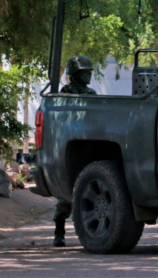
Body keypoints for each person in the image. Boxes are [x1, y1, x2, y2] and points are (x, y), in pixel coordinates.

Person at [53, 55, 97, 247]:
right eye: (84, 73)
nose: (88, 76)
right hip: (70, 147)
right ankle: (59, 231)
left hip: (88, 145)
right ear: (74, 74)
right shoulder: (65, 94)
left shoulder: (92, 94)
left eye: (90, 73)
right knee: (66, 196)